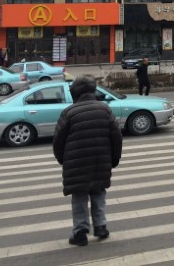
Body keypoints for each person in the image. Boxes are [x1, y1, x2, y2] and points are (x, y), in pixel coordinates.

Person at [53, 75, 123, 247]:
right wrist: (114, 160)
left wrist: (63, 160)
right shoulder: (104, 109)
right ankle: (100, 227)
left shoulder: (69, 112)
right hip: (101, 161)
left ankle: (80, 232)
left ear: (74, 93)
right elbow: (116, 138)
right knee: (98, 193)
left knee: (79, 196)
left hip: (76, 163)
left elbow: (58, 141)